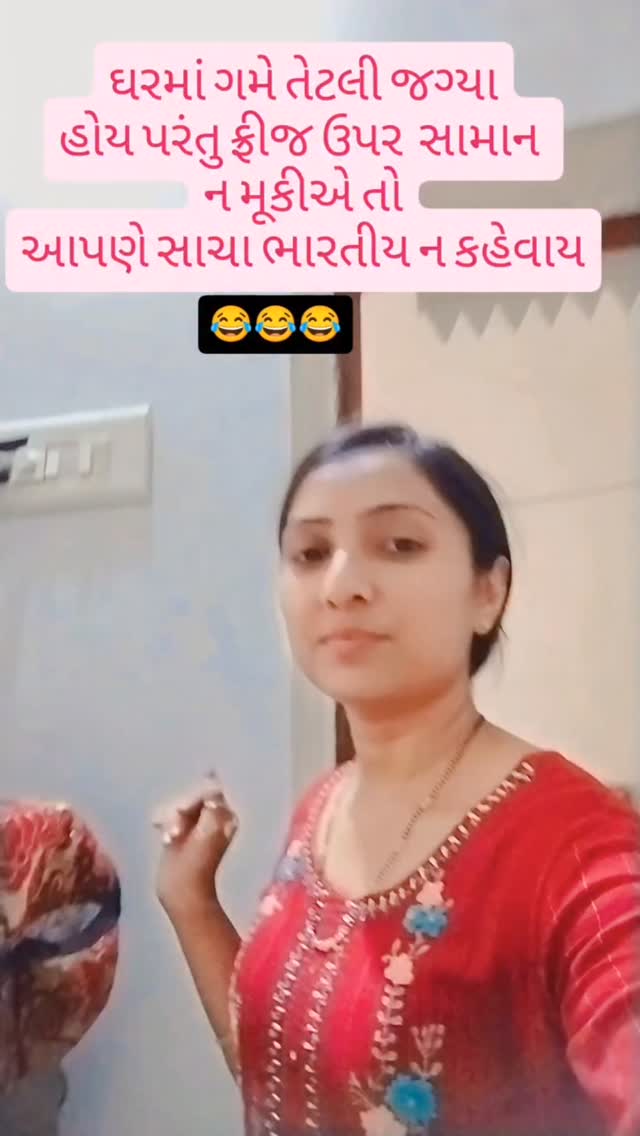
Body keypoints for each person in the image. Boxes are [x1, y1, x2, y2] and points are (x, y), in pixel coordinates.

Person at [153, 422, 640, 1136]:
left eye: (400, 545)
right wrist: (191, 902)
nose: (342, 585)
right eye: (310, 554)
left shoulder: (576, 847)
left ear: (488, 591)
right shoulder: (324, 806)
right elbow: (281, 1072)